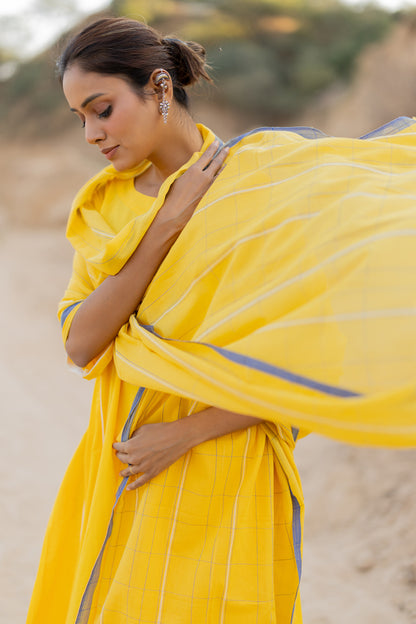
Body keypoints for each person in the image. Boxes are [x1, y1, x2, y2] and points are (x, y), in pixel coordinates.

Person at [27, 16, 416, 624]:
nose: (90, 134)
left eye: (101, 109)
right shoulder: (106, 207)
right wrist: (165, 226)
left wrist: (184, 434)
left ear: (158, 87)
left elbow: (316, 347)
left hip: (230, 465)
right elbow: (81, 342)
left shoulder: (268, 180)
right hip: (124, 466)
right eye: (80, 117)